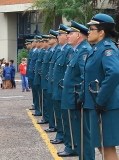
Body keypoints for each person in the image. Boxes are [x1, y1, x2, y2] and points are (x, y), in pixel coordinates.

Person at [84, 13, 119, 160]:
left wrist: (101, 99)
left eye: (91, 29)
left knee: (107, 146)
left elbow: (115, 73)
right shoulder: (96, 49)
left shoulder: (106, 49)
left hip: (105, 105)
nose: (88, 32)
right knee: (101, 144)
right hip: (98, 104)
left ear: (101, 32)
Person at [61, 20, 94, 160]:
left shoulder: (84, 51)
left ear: (79, 35)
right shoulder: (78, 51)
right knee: (78, 132)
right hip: (73, 98)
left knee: (83, 134)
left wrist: (80, 95)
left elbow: (85, 76)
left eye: (70, 33)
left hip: (77, 99)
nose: (67, 36)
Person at [54, 24, 77, 157]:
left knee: (69, 120)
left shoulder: (72, 50)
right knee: (64, 117)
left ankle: (71, 145)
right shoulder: (66, 50)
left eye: (61, 34)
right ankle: (69, 143)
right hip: (62, 89)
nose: (60, 37)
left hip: (69, 91)